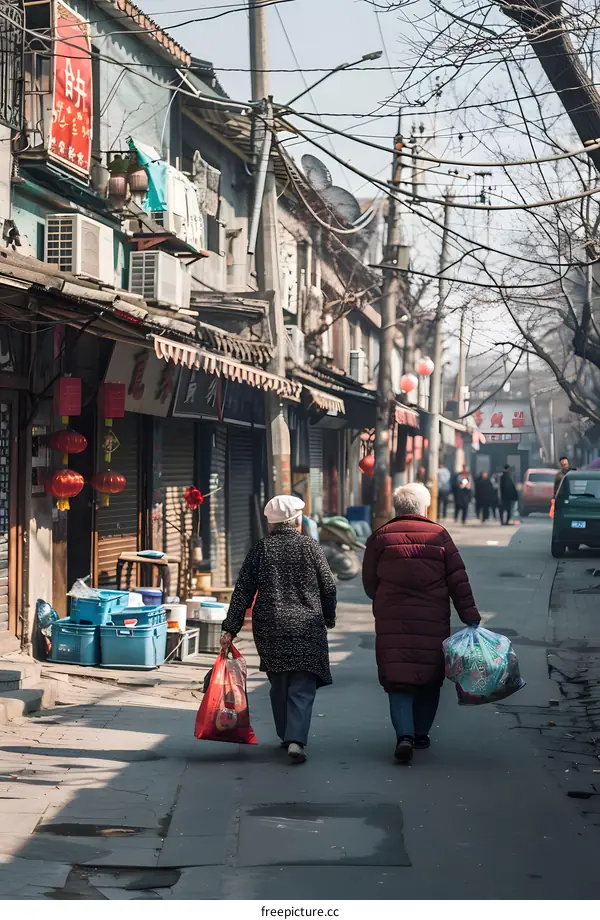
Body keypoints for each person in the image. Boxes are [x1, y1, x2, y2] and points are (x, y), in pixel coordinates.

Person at [362, 483, 481, 765]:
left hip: (392, 622)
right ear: (423, 508)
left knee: (398, 680)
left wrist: (384, 598)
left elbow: (369, 583)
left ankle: (403, 736)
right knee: (429, 679)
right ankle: (421, 734)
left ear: (397, 508)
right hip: (433, 621)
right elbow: (458, 581)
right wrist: (470, 617)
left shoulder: (380, 537)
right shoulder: (439, 535)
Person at [220, 494, 336, 765]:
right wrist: (328, 617)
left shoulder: (261, 549)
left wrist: (230, 629)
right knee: (302, 685)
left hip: (270, 628)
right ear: (297, 522)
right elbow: (328, 586)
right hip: (307, 626)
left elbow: (242, 593)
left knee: (280, 682)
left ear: (271, 524)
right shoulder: (310, 547)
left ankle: (286, 735)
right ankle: (296, 739)